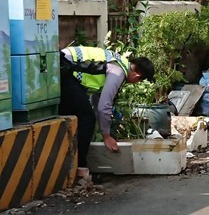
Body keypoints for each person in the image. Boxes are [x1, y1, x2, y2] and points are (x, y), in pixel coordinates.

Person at [58, 46, 154, 176]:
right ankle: (80, 167)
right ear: (138, 76)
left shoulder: (117, 63)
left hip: (63, 65)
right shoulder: (118, 72)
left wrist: (103, 128)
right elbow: (104, 106)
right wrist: (106, 136)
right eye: (139, 81)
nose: (136, 83)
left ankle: (65, 163)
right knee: (87, 119)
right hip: (66, 67)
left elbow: (98, 102)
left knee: (73, 116)